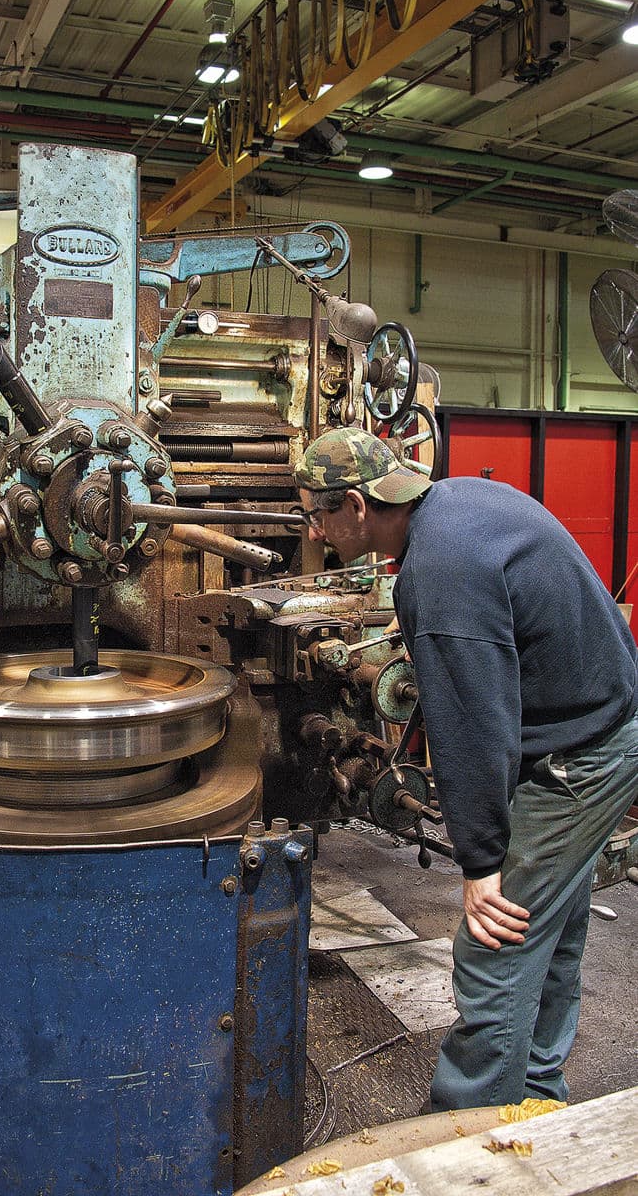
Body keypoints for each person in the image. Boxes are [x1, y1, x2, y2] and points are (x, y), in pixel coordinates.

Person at [293, 425, 638, 1111]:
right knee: (553, 924)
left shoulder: (439, 571)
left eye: (320, 511)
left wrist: (480, 866)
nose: (316, 528)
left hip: (584, 757)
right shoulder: (461, 501)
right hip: (604, 726)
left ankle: (467, 1135)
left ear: (359, 506)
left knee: (494, 942)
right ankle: (536, 1097)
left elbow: (473, 728)